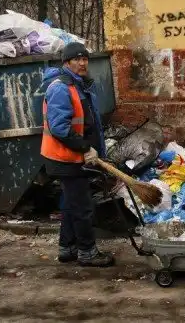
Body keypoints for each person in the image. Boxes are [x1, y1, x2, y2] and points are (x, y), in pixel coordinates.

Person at [40, 42, 115, 267]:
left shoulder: (78, 85)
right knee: (82, 207)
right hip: (65, 158)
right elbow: (59, 127)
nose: (82, 63)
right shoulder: (61, 88)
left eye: (85, 59)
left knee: (71, 205)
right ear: (66, 62)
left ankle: (67, 248)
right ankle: (87, 252)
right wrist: (84, 147)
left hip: (72, 157)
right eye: (77, 59)